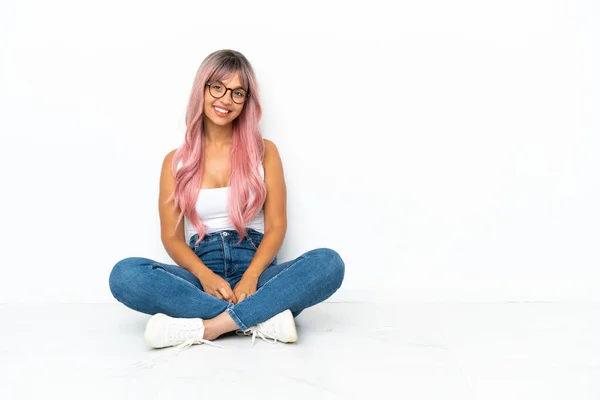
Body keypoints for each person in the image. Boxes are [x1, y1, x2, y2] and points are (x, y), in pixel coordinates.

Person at [108, 49, 345, 352]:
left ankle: (211, 327)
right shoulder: (175, 162)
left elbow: (276, 227)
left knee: (328, 263)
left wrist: (250, 279)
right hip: (201, 274)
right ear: (202, 89)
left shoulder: (265, 152)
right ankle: (260, 318)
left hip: (257, 273)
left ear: (247, 102)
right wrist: (206, 277)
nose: (225, 100)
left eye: (237, 93)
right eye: (217, 87)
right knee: (125, 274)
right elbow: (171, 237)